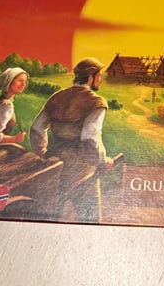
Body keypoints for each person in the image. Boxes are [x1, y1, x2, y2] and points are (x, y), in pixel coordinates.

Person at [29, 57, 114, 222]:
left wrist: (41, 151)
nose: (100, 79)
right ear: (90, 77)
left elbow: (37, 128)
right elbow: (89, 137)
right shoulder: (95, 102)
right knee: (90, 218)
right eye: (98, 76)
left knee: (53, 213)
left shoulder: (57, 97)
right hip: (81, 168)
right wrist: (102, 161)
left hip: (54, 164)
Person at [0, 67, 28, 144]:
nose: (24, 84)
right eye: (20, 80)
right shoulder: (6, 105)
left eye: (25, 82)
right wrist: (15, 139)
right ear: (9, 81)